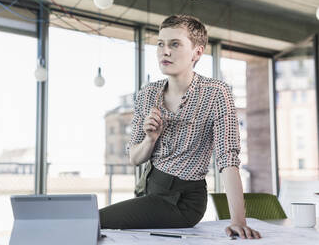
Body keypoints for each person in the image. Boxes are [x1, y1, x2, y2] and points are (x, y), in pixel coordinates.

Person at [99, 14, 261, 239]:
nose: (165, 51)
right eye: (160, 44)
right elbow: (134, 158)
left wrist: (238, 221)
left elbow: (228, 158)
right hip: (149, 189)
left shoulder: (216, 93)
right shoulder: (147, 94)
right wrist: (150, 138)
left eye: (175, 44)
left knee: (96, 220)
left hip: (184, 200)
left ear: (197, 52)